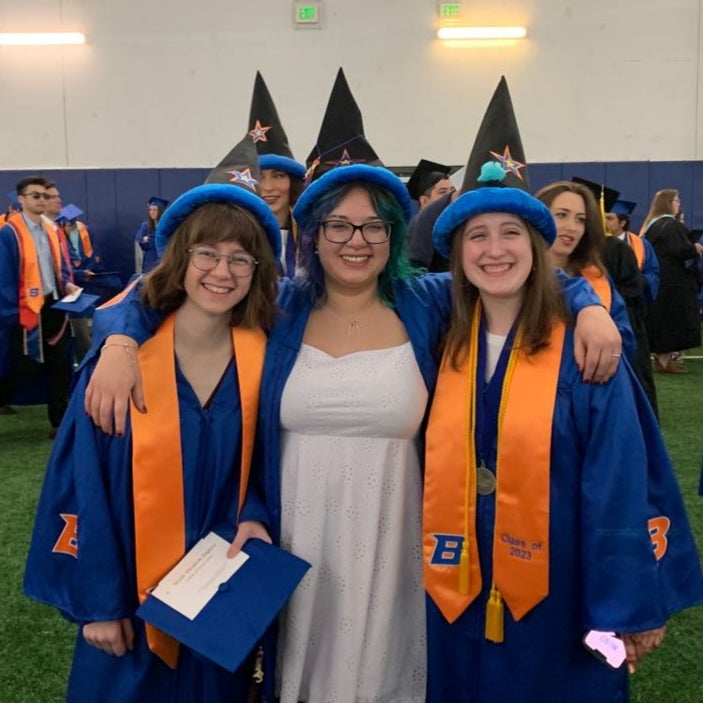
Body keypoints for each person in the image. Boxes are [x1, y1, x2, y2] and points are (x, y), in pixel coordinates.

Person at [82, 72, 621, 703]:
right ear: (311, 234)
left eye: (372, 226)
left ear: (394, 235)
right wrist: (118, 340)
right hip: (293, 532)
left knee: (394, 673)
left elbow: (513, 274)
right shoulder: (276, 307)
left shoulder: (427, 304)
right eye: (337, 225)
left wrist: (586, 304)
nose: (355, 241)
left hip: (399, 535)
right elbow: (168, 291)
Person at [423, 163, 703, 703]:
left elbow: (618, 481)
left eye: (511, 234)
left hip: (563, 588)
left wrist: (626, 605)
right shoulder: (439, 333)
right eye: (476, 236)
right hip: (456, 586)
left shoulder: (584, 350)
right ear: (456, 254)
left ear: (536, 245)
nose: (494, 250)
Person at [24, 174, 282, 702]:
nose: (221, 271)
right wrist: (101, 603)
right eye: (206, 253)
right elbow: (82, 483)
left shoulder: (265, 360)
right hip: (132, 600)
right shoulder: (120, 364)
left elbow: (267, 466)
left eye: (240, 258)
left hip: (217, 593)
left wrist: (256, 510)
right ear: (178, 257)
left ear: (258, 272)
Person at [536, 179, 659, 415]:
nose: (572, 227)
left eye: (580, 220)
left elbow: (626, 342)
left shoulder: (598, 279)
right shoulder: (517, 278)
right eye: (561, 215)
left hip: (592, 400)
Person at [0, 175, 80, 437]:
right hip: (23, 311)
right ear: (21, 199)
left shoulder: (53, 229)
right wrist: (11, 314)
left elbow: (62, 267)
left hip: (55, 304)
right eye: (36, 196)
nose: (42, 200)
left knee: (60, 363)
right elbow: (5, 275)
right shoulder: (10, 233)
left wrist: (68, 284)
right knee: (20, 366)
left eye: (45, 196)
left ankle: (58, 421)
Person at [248, 71, 306, 277]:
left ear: (292, 182)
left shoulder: (313, 237)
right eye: (259, 177)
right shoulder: (239, 238)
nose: (268, 187)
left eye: (278, 175)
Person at [641, 189, 702, 373]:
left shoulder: (652, 226)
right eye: (676, 200)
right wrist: (695, 248)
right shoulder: (669, 224)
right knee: (671, 320)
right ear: (668, 203)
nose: (679, 204)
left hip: (661, 279)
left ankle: (664, 359)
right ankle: (663, 361)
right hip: (672, 282)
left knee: (662, 320)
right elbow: (681, 250)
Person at [605, 199, 660, 305]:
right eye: (602, 218)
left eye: (609, 218)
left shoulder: (641, 244)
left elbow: (653, 272)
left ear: (622, 222)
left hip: (632, 302)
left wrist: (636, 281)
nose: (604, 222)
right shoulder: (594, 244)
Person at [405, 158, 455, 269]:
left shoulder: (453, 224)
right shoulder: (418, 228)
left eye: (452, 191)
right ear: (424, 201)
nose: (450, 196)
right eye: (442, 192)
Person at [134, 196, 169, 274]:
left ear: (160, 211)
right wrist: (144, 240)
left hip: (163, 258)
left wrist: (148, 239)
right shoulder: (146, 226)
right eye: (150, 210)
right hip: (149, 261)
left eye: (155, 210)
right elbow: (139, 240)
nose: (152, 212)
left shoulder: (166, 225)